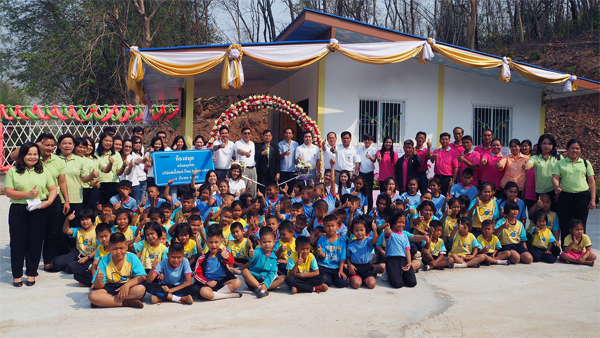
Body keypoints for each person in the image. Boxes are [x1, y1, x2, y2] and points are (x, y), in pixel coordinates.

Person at [6, 142, 58, 287]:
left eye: (35, 154)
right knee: (17, 243)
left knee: (35, 243)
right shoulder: (13, 171)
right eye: (29, 154)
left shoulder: (44, 171)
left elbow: (52, 189)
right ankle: (17, 275)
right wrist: (27, 194)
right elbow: (9, 192)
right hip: (18, 210)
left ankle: (31, 273)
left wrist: (49, 201)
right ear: (22, 155)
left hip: (39, 210)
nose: (33, 157)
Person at [55, 134, 97, 255]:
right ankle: (58, 253)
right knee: (58, 227)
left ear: (73, 145)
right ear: (59, 145)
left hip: (76, 198)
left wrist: (91, 176)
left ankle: (73, 252)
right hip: (58, 198)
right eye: (64, 143)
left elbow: (84, 179)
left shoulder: (80, 160)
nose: (67, 145)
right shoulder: (54, 159)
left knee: (74, 227)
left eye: (69, 143)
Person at [552, 138, 595, 243]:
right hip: (565, 196)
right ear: (567, 149)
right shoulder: (560, 163)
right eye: (572, 148)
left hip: (582, 196)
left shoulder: (585, 163)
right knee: (565, 223)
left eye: (577, 148)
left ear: (580, 150)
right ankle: (567, 248)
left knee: (581, 224)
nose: (575, 150)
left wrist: (592, 199)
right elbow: (555, 177)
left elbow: (592, 182)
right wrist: (557, 187)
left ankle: (580, 247)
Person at [88, 233, 147, 308]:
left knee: (140, 290)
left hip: (128, 287)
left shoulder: (132, 257)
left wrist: (127, 285)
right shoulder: (104, 261)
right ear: (109, 248)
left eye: (121, 248)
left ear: (126, 246)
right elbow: (98, 286)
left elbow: (142, 276)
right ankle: (126, 303)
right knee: (92, 295)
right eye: (115, 249)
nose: (118, 252)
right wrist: (98, 280)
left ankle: (107, 301)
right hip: (110, 287)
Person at [195, 227, 243, 300]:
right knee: (203, 291)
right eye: (211, 242)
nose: (213, 245)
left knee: (237, 282)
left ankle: (215, 295)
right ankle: (228, 295)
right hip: (209, 283)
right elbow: (197, 274)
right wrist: (207, 282)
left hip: (223, 282)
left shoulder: (224, 253)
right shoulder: (202, 258)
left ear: (221, 242)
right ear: (207, 242)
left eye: (216, 242)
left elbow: (232, 262)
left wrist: (227, 258)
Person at [242, 227, 286, 298]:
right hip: (253, 279)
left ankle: (261, 288)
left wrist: (265, 284)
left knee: (283, 278)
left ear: (274, 242)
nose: (267, 244)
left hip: (266, 279)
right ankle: (259, 287)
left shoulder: (274, 258)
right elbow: (252, 258)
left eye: (269, 242)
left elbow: (272, 273)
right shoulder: (257, 251)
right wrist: (251, 254)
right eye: (264, 242)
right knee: (244, 271)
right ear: (260, 242)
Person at [523, 134, 561, 211]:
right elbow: (530, 164)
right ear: (540, 145)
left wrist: (559, 192)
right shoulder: (535, 157)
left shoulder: (558, 157)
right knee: (541, 217)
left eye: (549, 144)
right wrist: (526, 166)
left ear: (553, 145)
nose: (547, 146)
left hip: (555, 191)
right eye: (544, 143)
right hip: (541, 192)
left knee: (554, 216)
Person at [383, 211, 417, 288]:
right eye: (399, 222)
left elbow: (407, 250)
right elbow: (388, 234)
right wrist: (388, 231)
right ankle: (389, 273)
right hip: (392, 260)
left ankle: (398, 274)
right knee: (397, 284)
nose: (401, 224)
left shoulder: (404, 235)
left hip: (403, 259)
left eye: (403, 222)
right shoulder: (390, 233)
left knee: (412, 282)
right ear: (393, 221)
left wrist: (409, 263)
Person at [73, 222, 111, 287]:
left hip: (112, 273)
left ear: (111, 235)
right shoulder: (99, 248)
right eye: (101, 237)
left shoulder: (115, 247)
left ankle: (104, 283)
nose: (104, 239)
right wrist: (94, 279)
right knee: (77, 275)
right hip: (101, 274)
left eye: (106, 236)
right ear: (97, 238)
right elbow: (94, 265)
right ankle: (98, 283)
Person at [347, 216, 379, 289]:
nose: (359, 233)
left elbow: (375, 240)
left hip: (367, 267)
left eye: (362, 230)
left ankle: (366, 279)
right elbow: (348, 257)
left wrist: (374, 230)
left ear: (366, 230)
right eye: (356, 230)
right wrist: (349, 265)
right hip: (355, 268)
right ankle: (358, 279)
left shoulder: (368, 241)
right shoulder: (351, 244)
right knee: (356, 284)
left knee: (371, 284)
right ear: (353, 231)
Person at [316, 215, 348, 288]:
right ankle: (330, 279)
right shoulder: (321, 240)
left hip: (337, 267)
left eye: (333, 225)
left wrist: (341, 270)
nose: (331, 228)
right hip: (325, 266)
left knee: (342, 283)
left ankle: (334, 278)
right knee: (326, 281)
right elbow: (323, 256)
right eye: (328, 226)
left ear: (337, 226)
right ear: (324, 228)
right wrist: (320, 253)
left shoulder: (342, 241)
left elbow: (342, 257)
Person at [96, 132, 126, 205]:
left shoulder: (116, 154)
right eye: (106, 140)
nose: (108, 143)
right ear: (101, 141)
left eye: (110, 141)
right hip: (99, 184)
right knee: (100, 207)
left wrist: (124, 166)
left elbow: (118, 172)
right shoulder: (95, 154)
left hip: (113, 184)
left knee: (112, 208)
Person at [251, 129, 279, 195]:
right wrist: (262, 153)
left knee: (272, 190)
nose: (267, 137)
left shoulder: (275, 147)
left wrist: (278, 172)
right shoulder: (258, 146)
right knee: (261, 189)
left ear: (271, 136)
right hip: (262, 172)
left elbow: (277, 160)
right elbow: (256, 156)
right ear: (263, 136)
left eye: (269, 135)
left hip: (272, 172)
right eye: (266, 135)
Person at [233, 127, 257, 196]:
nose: (247, 135)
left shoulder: (252, 144)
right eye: (245, 133)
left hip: (253, 168)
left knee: (252, 189)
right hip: (243, 169)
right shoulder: (237, 143)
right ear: (241, 134)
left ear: (251, 134)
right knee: (243, 189)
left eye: (249, 133)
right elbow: (239, 151)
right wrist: (245, 153)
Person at [357, 134, 377, 211]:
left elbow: (374, 160)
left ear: (371, 141)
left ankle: (369, 211)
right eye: (365, 139)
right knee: (361, 192)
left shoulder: (374, 150)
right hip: (361, 173)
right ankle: (360, 209)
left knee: (369, 193)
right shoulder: (359, 150)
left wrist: (370, 157)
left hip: (369, 173)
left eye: (369, 140)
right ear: (363, 141)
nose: (367, 141)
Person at [120, 139, 142, 204]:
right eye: (126, 146)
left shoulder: (133, 156)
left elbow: (138, 160)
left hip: (134, 185)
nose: (128, 148)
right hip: (122, 186)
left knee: (135, 206)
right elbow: (125, 172)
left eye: (130, 147)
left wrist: (143, 160)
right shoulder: (118, 156)